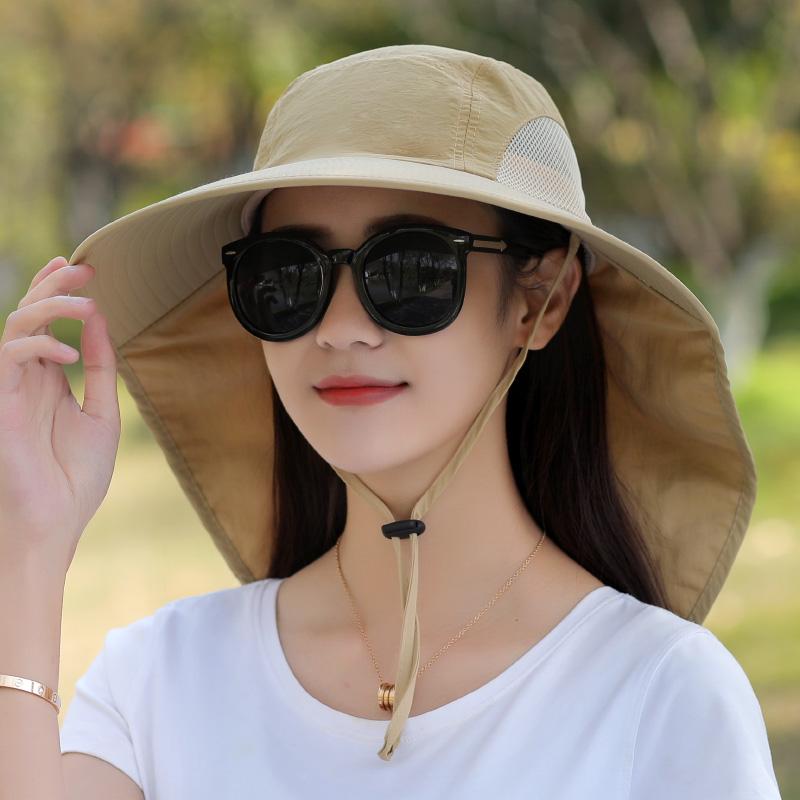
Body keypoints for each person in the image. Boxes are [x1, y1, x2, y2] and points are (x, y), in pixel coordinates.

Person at [0, 43, 783, 799]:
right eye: (289, 276)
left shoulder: (661, 698)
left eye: (409, 269)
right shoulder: (160, 682)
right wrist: (31, 547)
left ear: (541, 301)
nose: (341, 328)